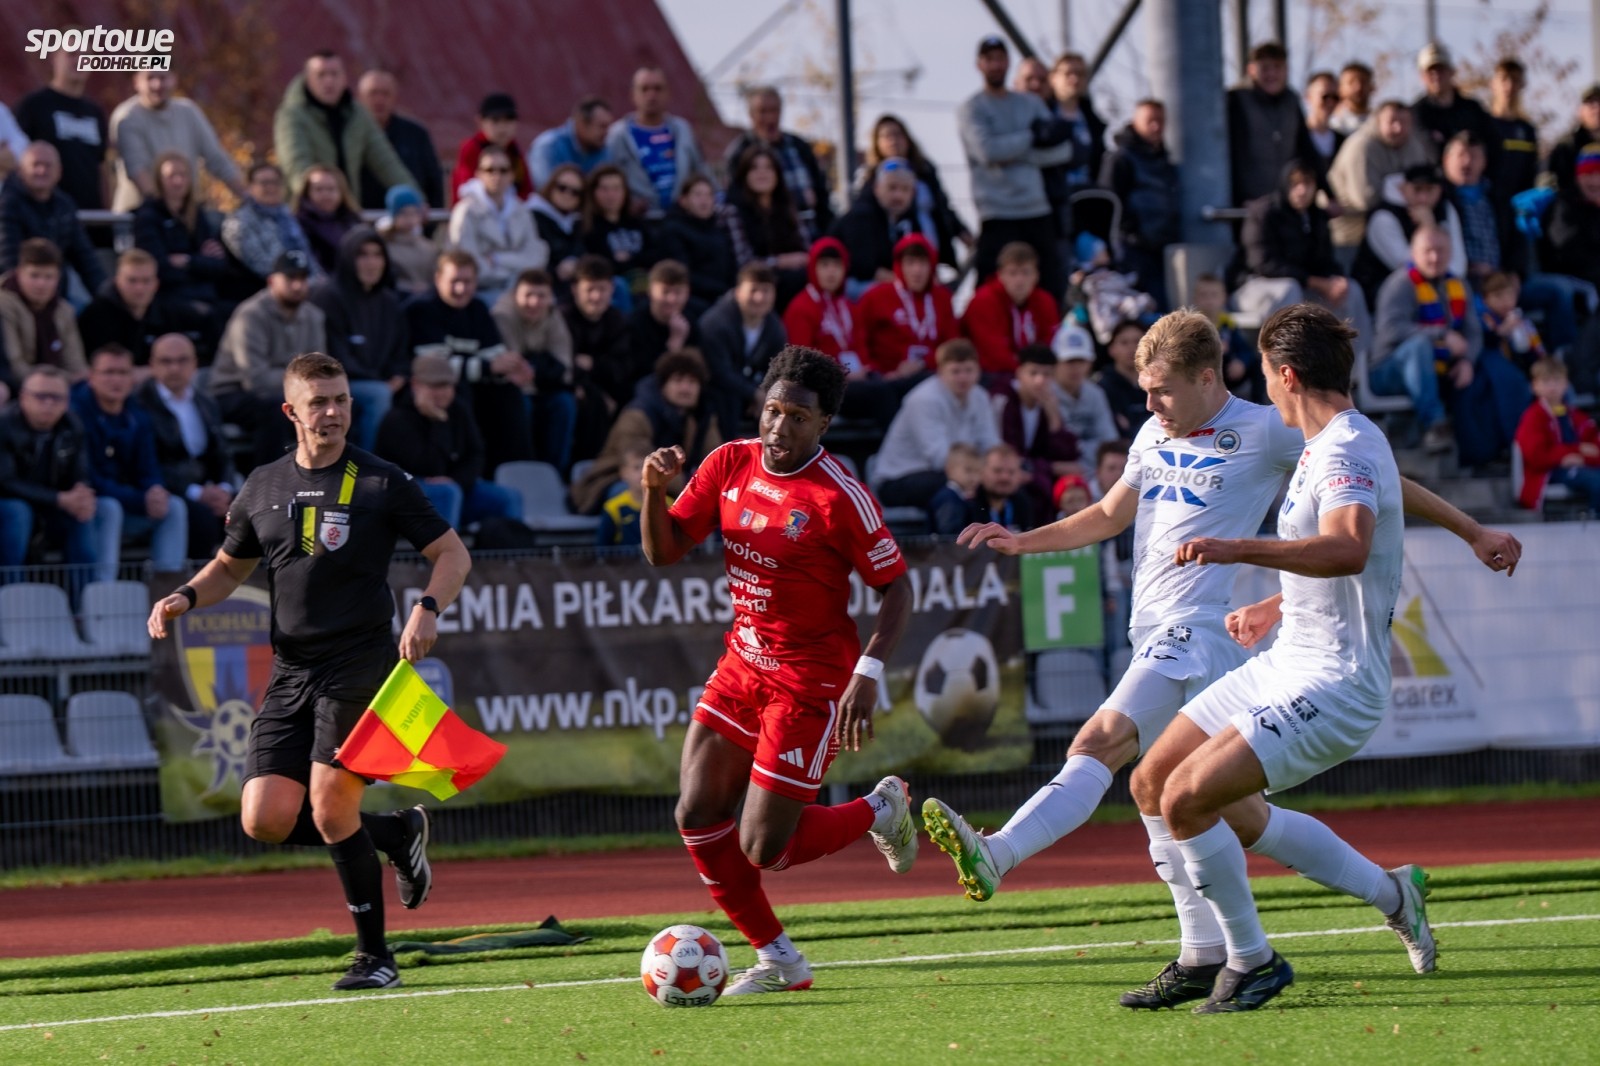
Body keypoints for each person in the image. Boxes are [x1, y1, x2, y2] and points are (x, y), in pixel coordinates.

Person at [927, 306, 1522, 1012]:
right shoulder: (1169, 433)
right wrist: (1024, 540)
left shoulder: (1292, 433)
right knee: (1205, 802)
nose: (1151, 404)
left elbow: (1366, 505)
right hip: (1237, 649)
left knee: (1116, 750)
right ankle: (1376, 897)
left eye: (1163, 389)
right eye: (1146, 390)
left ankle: (1011, 859)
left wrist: (1469, 529)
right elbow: (1113, 515)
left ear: (1219, 378)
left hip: (1218, 641)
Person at [1124, 305, 1515, 1013]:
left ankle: (1252, 961)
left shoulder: (1343, 449)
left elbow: (1348, 548)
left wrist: (1235, 549)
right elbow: (1379, 504)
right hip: (1285, 661)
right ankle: (1375, 899)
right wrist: (1278, 605)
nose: (1263, 389)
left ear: (1287, 375)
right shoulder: (1332, 442)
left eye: (1265, 375)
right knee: (1153, 781)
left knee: (1187, 798)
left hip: (1337, 683)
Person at [147, 351, 472, 992]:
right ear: (290, 411)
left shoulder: (382, 481)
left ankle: (375, 957)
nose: (333, 412)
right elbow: (229, 568)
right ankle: (395, 832)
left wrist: (428, 607)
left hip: (361, 663)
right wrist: (185, 595)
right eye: (319, 402)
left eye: (342, 399)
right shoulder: (263, 485)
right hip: (291, 669)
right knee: (264, 818)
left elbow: (452, 553)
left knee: (329, 806)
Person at [640, 345, 917, 995]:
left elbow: (898, 588)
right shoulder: (728, 463)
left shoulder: (839, 496)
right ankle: (781, 962)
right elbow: (664, 552)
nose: (779, 427)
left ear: (823, 424)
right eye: (772, 411)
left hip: (810, 681)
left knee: (766, 847)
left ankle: (880, 809)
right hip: (743, 663)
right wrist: (653, 491)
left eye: (797, 417)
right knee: (696, 813)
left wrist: (868, 672)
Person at [1373, 225, 1530, 464]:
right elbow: (1391, 330)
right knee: (1419, 345)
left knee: (1489, 371)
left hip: (1441, 368)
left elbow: (1473, 333)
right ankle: (1436, 423)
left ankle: (1488, 450)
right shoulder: (1400, 284)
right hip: (1391, 368)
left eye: (1441, 251)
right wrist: (1441, 334)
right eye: (1428, 251)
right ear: (1414, 253)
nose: (1434, 257)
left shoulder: (1457, 284)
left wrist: (1467, 361)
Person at [957, 36, 1078, 302]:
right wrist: (1031, 137)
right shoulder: (971, 108)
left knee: (1050, 287)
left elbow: (1063, 151)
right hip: (997, 212)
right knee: (989, 291)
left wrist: (1013, 154)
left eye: (1000, 58)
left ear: (1008, 62)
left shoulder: (1030, 103)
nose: (996, 65)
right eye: (990, 59)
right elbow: (988, 151)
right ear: (979, 64)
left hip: (1036, 209)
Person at [407, 248, 532, 472]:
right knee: (460, 391)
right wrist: (490, 367)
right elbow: (436, 368)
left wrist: (512, 368)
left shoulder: (478, 308)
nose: (461, 289)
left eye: (468, 282)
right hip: (433, 387)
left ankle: (513, 472)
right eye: (454, 281)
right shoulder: (422, 309)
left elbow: (495, 355)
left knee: (510, 393)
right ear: (438, 279)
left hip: (475, 381)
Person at [71, 344, 188, 572]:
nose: (116, 380)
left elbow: (149, 467)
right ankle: (104, 589)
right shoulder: (75, 414)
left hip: (130, 502)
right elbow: (88, 478)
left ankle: (168, 586)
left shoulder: (138, 414)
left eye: (123, 373)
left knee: (173, 506)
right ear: (91, 377)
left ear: (132, 378)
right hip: (91, 509)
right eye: (108, 372)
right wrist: (140, 498)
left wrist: (155, 490)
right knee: (109, 508)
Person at [0, 365, 120, 585]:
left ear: (66, 401)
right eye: (40, 396)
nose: (48, 403)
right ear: (23, 397)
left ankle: (86, 598)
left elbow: (81, 473)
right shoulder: (4, 424)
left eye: (56, 397)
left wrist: (81, 496)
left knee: (97, 509)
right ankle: (13, 593)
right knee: (17, 511)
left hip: (54, 505)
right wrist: (60, 499)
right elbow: (5, 482)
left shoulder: (72, 425)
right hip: (12, 504)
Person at [1232, 161, 1371, 349]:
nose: (1302, 190)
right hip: (1253, 287)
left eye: (1308, 184)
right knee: (1289, 289)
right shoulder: (1263, 212)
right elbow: (1263, 264)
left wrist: (1336, 281)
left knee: (1351, 290)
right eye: (1295, 184)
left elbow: (1324, 260)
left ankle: (1354, 364)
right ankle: (1286, 359)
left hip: (1302, 286)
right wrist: (1316, 282)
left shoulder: (1316, 217)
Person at [375, 353, 522, 530]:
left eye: (446, 385)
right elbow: (429, 466)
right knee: (447, 493)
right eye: (434, 386)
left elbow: (476, 454)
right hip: (407, 492)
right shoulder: (397, 419)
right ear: (415, 385)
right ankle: (446, 548)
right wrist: (438, 421)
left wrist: (457, 480)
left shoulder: (459, 410)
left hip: (454, 486)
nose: (442, 393)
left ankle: (508, 547)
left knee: (508, 497)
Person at [211, 249, 327, 463]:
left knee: (337, 407)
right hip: (232, 391)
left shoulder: (314, 316)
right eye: (291, 278)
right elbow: (256, 380)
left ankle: (334, 475)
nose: (298, 285)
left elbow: (319, 370)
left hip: (292, 393)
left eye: (302, 278)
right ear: (272, 280)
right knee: (276, 410)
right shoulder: (250, 315)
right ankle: (270, 479)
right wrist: (303, 384)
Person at [573, 349, 721, 515]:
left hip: (674, 486)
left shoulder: (702, 417)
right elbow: (640, 463)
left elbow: (716, 459)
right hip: (615, 481)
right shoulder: (638, 415)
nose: (685, 388)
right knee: (636, 497)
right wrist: (691, 486)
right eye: (678, 380)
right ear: (663, 385)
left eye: (692, 382)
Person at [135, 332, 237, 556]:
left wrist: (224, 489)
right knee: (201, 518)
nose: (174, 368)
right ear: (152, 365)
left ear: (194, 364)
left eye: (182, 361)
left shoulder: (206, 402)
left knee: (248, 506)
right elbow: (150, 463)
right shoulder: (140, 404)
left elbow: (222, 454)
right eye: (166, 361)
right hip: (170, 490)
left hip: (207, 487)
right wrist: (197, 493)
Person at [309, 227, 409, 451]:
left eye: (377, 255)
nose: (371, 263)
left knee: (432, 391)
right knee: (378, 395)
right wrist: (383, 382)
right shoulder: (328, 297)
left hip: (383, 381)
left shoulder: (389, 302)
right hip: (338, 383)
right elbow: (333, 357)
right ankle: (365, 467)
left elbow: (401, 350)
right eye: (362, 255)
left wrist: (400, 375)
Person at [872, 338, 998, 508]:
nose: (963, 377)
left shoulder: (980, 396)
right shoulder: (924, 399)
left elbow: (990, 443)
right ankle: (957, 527)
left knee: (1004, 481)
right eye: (955, 371)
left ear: (978, 371)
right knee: (956, 486)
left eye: (969, 371)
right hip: (898, 480)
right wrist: (981, 472)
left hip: (952, 471)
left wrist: (996, 470)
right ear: (941, 372)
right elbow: (939, 458)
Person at [272, 51, 414, 199]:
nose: (329, 81)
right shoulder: (291, 115)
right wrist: (320, 198)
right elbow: (296, 164)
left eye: (334, 74)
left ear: (344, 78)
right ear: (308, 79)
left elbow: (386, 163)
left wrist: (414, 199)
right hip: (307, 209)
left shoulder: (357, 114)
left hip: (346, 208)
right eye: (321, 75)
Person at [109, 70, 247, 213]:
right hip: (138, 215)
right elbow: (137, 169)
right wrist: (164, 210)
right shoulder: (127, 117)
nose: (157, 85)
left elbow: (217, 159)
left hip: (185, 214)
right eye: (150, 78)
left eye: (163, 78)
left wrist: (247, 198)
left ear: (173, 79)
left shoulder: (188, 112)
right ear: (136, 82)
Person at [854, 115, 970, 269]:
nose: (893, 141)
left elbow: (943, 208)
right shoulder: (872, 178)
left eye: (897, 134)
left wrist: (962, 232)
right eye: (886, 136)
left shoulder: (925, 171)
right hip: (895, 259)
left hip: (933, 252)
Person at [492, 268, 578, 475]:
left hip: (542, 387)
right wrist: (543, 366)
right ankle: (524, 472)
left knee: (564, 403)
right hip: (509, 390)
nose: (534, 302)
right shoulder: (502, 315)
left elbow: (564, 367)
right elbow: (515, 370)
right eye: (528, 295)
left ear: (550, 298)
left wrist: (534, 366)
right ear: (515, 295)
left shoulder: (553, 315)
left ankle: (555, 474)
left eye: (541, 296)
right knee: (522, 405)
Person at [1100, 100, 1181, 307]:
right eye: (1150, 121)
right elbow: (1107, 201)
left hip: (1160, 248)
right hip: (1131, 250)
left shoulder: (1163, 159)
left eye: (1160, 121)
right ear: (1135, 122)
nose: (1156, 127)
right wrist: (1131, 229)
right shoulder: (1120, 158)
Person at [1351, 163, 1465, 307]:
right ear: (1403, 188)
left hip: (1435, 289)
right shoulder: (1383, 217)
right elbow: (1409, 266)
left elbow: (1458, 267)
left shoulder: (1446, 210)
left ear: (1439, 190)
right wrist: (1428, 228)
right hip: (1382, 292)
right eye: (1417, 190)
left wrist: (1430, 224)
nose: (1423, 198)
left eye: (1430, 190)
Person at [605, 66, 715, 217]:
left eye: (657, 89)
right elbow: (607, 177)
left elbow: (700, 170)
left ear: (668, 93)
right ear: (633, 95)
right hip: (640, 221)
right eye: (644, 89)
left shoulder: (682, 129)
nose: (651, 95)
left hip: (682, 218)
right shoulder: (618, 135)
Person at [448, 144, 549, 306]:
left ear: (512, 175)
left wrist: (497, 259)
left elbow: (536, 256)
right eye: (490, 170)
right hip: (482, 293)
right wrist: (512, 271)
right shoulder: (466, 211)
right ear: (479, 174)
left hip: (522, 290)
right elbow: (468, 264)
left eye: (503, 170)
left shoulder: (521, 210)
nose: (497, 175)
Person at [723, 86, 834, 233]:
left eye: (774, 110)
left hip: (810, 232)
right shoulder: (739, 153)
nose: (770, 118)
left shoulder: (799, 146)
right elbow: (736, 201)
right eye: (763, 111)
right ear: (751, 115)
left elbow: (821, 194)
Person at [0, 142, 107, 294]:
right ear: (21, 170)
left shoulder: (64, 205)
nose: (42, 170)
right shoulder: (6, 204)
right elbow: (8, 260)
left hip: (55, 296)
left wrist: (109, 297)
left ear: (59, 172)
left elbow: (86, 260)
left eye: (48, 165)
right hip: (14, 295)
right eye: (36, 164)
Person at [132, 151, 228, 320]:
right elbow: (158, 268)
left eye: (183, 175)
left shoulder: (197, 215)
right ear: (159, 180)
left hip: (205, 294)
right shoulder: (148, 217)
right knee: (210, 316)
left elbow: (219, 265)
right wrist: (200, 262)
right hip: (168, 298)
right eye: (171, 176)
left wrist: (188, 261)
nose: (178, 181)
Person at [1327, 101, 1433, 252]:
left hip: (1400, 228)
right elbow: (1365, 199)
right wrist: (1404, 193)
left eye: (1404, 122)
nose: (1398, 128)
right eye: (1392, 122)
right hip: (1350, 234)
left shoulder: (1413, 145)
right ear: (1378, 122)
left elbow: (1424, 183)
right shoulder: (1362, 146)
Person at [698, 262, 787, 442]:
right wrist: (754, 393)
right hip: (717, 391)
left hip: (751, 389)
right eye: (753, 290)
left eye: (766, 291)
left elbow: (779, 368)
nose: (759, 297)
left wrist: (765, 393)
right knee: (726, 398)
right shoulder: (715, 323)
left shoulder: (774, 327)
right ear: (738, 291)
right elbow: (719, 372)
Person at [15, 43, 108, 211]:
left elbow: (103, 168)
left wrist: (108, 211)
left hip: (92, 216)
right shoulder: (33, 106)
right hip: (45, 216)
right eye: (72, 54)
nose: (79, 61)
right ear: (54, 58)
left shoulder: (95, 112)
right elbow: (17, 161)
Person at [1226, 42, 1318, 208]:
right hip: (1249, 203)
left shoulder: (1291, 101)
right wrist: (1239, 197)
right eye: (1265, 68)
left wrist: (1328, 193)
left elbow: (1306, 148)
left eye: (1277, 67)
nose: (1272, 74)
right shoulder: (1238, 100)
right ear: (1251, 70)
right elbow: (1232, 154)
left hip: (1284, 203)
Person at [78, 247, 205, 367]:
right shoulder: (95, 316)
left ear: (156, 284)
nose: (139, 288)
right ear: (117, 281)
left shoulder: (169, 312)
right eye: (132, 280)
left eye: (146, 281)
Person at [719, 144, 813, 306]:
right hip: (755, 284)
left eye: (768, 168)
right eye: (754, 168)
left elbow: (806, 248)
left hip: (796, 279)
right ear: (744, 174)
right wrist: (780, 261)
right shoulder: (733, 211)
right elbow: (744, 263)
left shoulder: (788, 206)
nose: (762, 173)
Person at [857, 233, 957, 383]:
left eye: (923, 263)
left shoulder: (942, 297)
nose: (917, 270)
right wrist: (875, 372)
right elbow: (858, 340)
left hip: (933, 377)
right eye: (910, 263)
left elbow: (952, 344)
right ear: (900, 265)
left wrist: (924, 363)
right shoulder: (876, 296)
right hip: (887, 380)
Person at [560, 255, 632, 462]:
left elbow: (622, 366)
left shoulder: (617, 320)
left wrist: (593, 364)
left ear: (612, 289)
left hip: (610, 390)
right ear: (575, 289)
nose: (596, 296)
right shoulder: (562, 318)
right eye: (590, 289)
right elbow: (565, 364)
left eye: (602, 289)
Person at [998, 344, 1081, 515]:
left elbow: (1068, 455)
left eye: (1047, 374)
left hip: (1034, 470)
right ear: (1019, 373)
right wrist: (1051, 467)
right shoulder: (1003, 400)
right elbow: (1007, 451)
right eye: (1033, 373)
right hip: (1007, 470)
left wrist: (1054, 420)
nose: (1040, 380)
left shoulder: (1051, 401)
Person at [962, 241, 1060, 377]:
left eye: (1025, 273)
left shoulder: (1045, 301)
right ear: (1000, 275)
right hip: (992, 373)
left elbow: (1051, 340)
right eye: (1013, 273)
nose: (1019, 280)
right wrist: (1027, 373)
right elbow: (993, 352)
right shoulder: (983, 301)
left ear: (1036, 275)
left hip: (1035, 373)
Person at [829, 159, 924, 299]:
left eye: (905, 189)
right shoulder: (862, 216)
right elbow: (866, 268)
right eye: (892, 188)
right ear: (877, 188)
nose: (898, 195)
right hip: (846, 287)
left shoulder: (906, 219)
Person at [1515, 356, 1600, 510]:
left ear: (1566, 384)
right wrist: (1573, 452)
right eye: (1546, 381)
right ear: (1534, 386)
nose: (1552, 386)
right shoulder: (1533, 417)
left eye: (1557, 380)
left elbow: (1594, 446)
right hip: (1548, 473)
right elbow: (1537, 456)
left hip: (1582, 467)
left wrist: (1581, 458)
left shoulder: (1575, 416)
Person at [354, 70, 444, 210]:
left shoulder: (416, 134)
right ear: (360, 97)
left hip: (409, 218)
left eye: (385, 94)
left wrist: (431, 216)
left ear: (395, 97)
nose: (379, 100)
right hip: (361, 216)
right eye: (373, 93)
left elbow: (433, 182)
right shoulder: (349, 134)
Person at [1, 237, 86, 381]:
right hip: (15, 384)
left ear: (58, 278)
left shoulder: (64, 311)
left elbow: (76, 365)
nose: (41, 284)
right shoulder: (4, 304)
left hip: (59, 385)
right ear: (19, 273)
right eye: (34, 276)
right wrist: (53, 381)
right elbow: (13, 365)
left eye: (49, 277)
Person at [222, 163, 317, 289]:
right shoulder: (238, 222)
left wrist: (319, 280)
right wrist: (300, 283)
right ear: (250, 187)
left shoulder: (287, 216)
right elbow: (261, 266)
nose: (271, 187)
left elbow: (308, 257)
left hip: (305, 283)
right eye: (264, 183)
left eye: (276, 182)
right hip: (269, 289)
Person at [657, 174, 736, 321]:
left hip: (724, 296)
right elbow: (682, 274)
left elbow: (731, 266)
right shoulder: (673, 231)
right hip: (693, 299)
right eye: (698, 195)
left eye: (709, 195)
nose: (704, 200)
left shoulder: (719, 230)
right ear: (684, 201)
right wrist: (721, 291)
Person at [581, 163, 658, 306]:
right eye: (604, 189)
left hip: (646, 281)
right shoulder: (587, 227)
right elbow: (600, 264)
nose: (611, 195)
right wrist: (635, 261)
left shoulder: (637, 223)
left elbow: (656, 254)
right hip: (613, 289)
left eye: (616, 188)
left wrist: (629, 259)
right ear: (593, 192)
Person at [1411, 43, 1496, 161]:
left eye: (1441, 70)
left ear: (1452, 72)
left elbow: (1492, 145)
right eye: (1430, 72)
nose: (1436, 76)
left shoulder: (1473, 109)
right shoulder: (1415, 114)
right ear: (1422, 76)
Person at [449, 92, 532, 205]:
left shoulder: (514, 149)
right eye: (495, 120)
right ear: (480, 121)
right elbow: (464, 191)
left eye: (509, 119)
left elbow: (526, 190)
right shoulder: (472, 148)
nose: (502, 127)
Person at [1050, 322, 1118, 459]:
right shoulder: (1045, 394)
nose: (1076, 368)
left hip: (1096, 467)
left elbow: (1110, 442)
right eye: (1069, 361)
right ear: (1055, 363)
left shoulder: (1096, 393)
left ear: (1090, 363)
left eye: (1081, 361)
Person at [1192, 273, 1263, 402]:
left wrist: (1241, 362)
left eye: (1214, 295)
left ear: (1223, 297)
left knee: (1256, 362)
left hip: (1227, 373)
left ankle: (1258, 405)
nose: (1209, 300)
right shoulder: (1192, 324)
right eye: (1204, 295)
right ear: (1196, 298)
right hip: (1204, 375)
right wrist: (1212, 350)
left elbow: (1245, 349)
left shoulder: (1227, 322)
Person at [626, 259, 696, 391]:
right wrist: (674, 346)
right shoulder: (633, 324)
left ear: (687, 293)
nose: (672, 299)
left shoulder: (690, 321)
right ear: (650, 291)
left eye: (678, 292)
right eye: (665, 292)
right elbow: (641, 376)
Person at [1486, 59, 1539, 217]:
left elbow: (1531, 172)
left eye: (1515, 80)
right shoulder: (1483, 125)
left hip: (1519, 210)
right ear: (1493, 84)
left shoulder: (1527, 130)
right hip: (1489, 209)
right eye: (1504, 79)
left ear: (1522, 85)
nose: (1509, 86)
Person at [529, 96, 614, 189]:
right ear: (581, 123)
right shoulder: (548, 146)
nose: (607, 132)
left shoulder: (603, 150)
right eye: (602, 126)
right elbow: (542, 188)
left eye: (608, 127)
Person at [293, 165, 362, 277]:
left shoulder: (354, 222)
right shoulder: (298, 224)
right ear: (307, 192)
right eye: (319, 189)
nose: (325, 195)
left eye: (331, 189)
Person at [529, 165, 586, 302]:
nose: (567, 195)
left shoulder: (579, 221)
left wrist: (575, 262)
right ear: (551, 186)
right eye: (562, 188)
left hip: (577, 281)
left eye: (575, 192)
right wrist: (557, 269)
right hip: (544, 283)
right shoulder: (532, 216)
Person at [374, 185, 437, 296]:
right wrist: (408, 287)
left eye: (414, 213)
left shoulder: (428, 247)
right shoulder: (384, 246)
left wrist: (428, 287)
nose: (409, 219)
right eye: (403, 213)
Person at [1546, 84, 1600, 196]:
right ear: (1580, 110)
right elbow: (1549, 184)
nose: (1597, 109)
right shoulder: (1566, 147)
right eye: (1590, 103)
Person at [1100, 319, 1150, 437]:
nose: (1132, 348)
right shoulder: (1102, 388)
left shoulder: (1159, 383)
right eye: (1124, 342)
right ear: (1111, 349)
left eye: (1137, 341)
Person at [596, 443, 649, 547]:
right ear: (624, 473)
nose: (643, 473)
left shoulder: (667, 505)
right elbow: (602, 548)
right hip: (623, 558)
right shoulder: (612, 508)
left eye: (647, 467)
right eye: (636, 467)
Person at [974, 442, 1035, 530]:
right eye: (997, 471)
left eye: (1011, 472)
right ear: (982, 472)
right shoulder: (967, 504)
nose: (1005, 477)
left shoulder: (1023, 503)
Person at [1301, 71, 1346, 187]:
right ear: (1308, 97)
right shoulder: (1296, 138)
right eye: (1325, 96)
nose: (1330, 102)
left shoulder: (1343, 141)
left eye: (1335, 97)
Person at [928, 441, 983, 535]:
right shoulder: (948, 499)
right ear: (950, 469)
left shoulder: (962, 498)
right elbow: (950, 536)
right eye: (968, 470)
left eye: (978, 471)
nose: (974, 477)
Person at [1329, 62, 1374, 136]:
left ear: (1372, 87)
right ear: (1340, 88)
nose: (1358, 87)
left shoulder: (1380, 123)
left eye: (1363, 82)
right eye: (1351, 82)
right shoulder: (1333, 125)